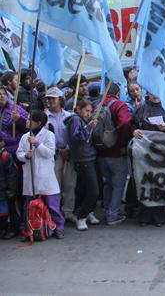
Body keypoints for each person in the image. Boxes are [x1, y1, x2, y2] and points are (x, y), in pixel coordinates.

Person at [132, 93, 165, 227]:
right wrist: (134, 131)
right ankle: (144, 216)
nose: (155, 95)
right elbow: (133, 124)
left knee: (161, 183)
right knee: (144, 183)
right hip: (144, 153)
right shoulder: (142, 108)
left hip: (163, 153)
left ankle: (159, 216)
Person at [17, 109, 64, 239]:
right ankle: (30, 230)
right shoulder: (24, 137)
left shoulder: (49, 135)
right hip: (30, 176)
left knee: (52, 205)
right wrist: (25, 155)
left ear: (38, 123)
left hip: (45, 177)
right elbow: (18, 153)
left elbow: (49, 153)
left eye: (29, 119)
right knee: (29, 206)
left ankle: (59, 227)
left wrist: (37, 144)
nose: (26, 121)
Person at [96, 83, 132, 226]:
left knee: (107, 183)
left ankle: (107, 209)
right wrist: (122, 143)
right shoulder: (119, 105)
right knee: (118, 185)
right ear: (118, 93)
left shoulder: (97, 105)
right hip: (116, 152)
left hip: (100, 151)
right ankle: (112, 215)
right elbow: (124, 123)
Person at [66, 99, 100, 231]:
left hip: (90, 157)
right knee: (93, 191)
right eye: (86, 110)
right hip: (83, 159)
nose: (89, 114)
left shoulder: (82, 120)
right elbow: (78, 138)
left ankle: (88, 211)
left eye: (90, 111)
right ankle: (81, 216)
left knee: (87, 188)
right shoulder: (75, 120)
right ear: (78, 109)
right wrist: (89, 127)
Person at [44, 87, 77, 224]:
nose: (51, 101)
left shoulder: (70, 116)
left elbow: (74, 135)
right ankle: (55, 213)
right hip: (53, 155)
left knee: (70, 184)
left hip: (68, 155)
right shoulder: (44, 118)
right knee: (54, 185)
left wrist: (68, 149)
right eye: (49, 99)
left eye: (53, 98)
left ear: (60, 100)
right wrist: (58, 150)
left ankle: (68, 211)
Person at [0, 135, 18, 239]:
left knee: (10, 211)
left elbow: (12, 174)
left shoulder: (5, 156)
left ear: (2, 143)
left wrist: (11, 189)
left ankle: (13, 229)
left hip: (6, 190)